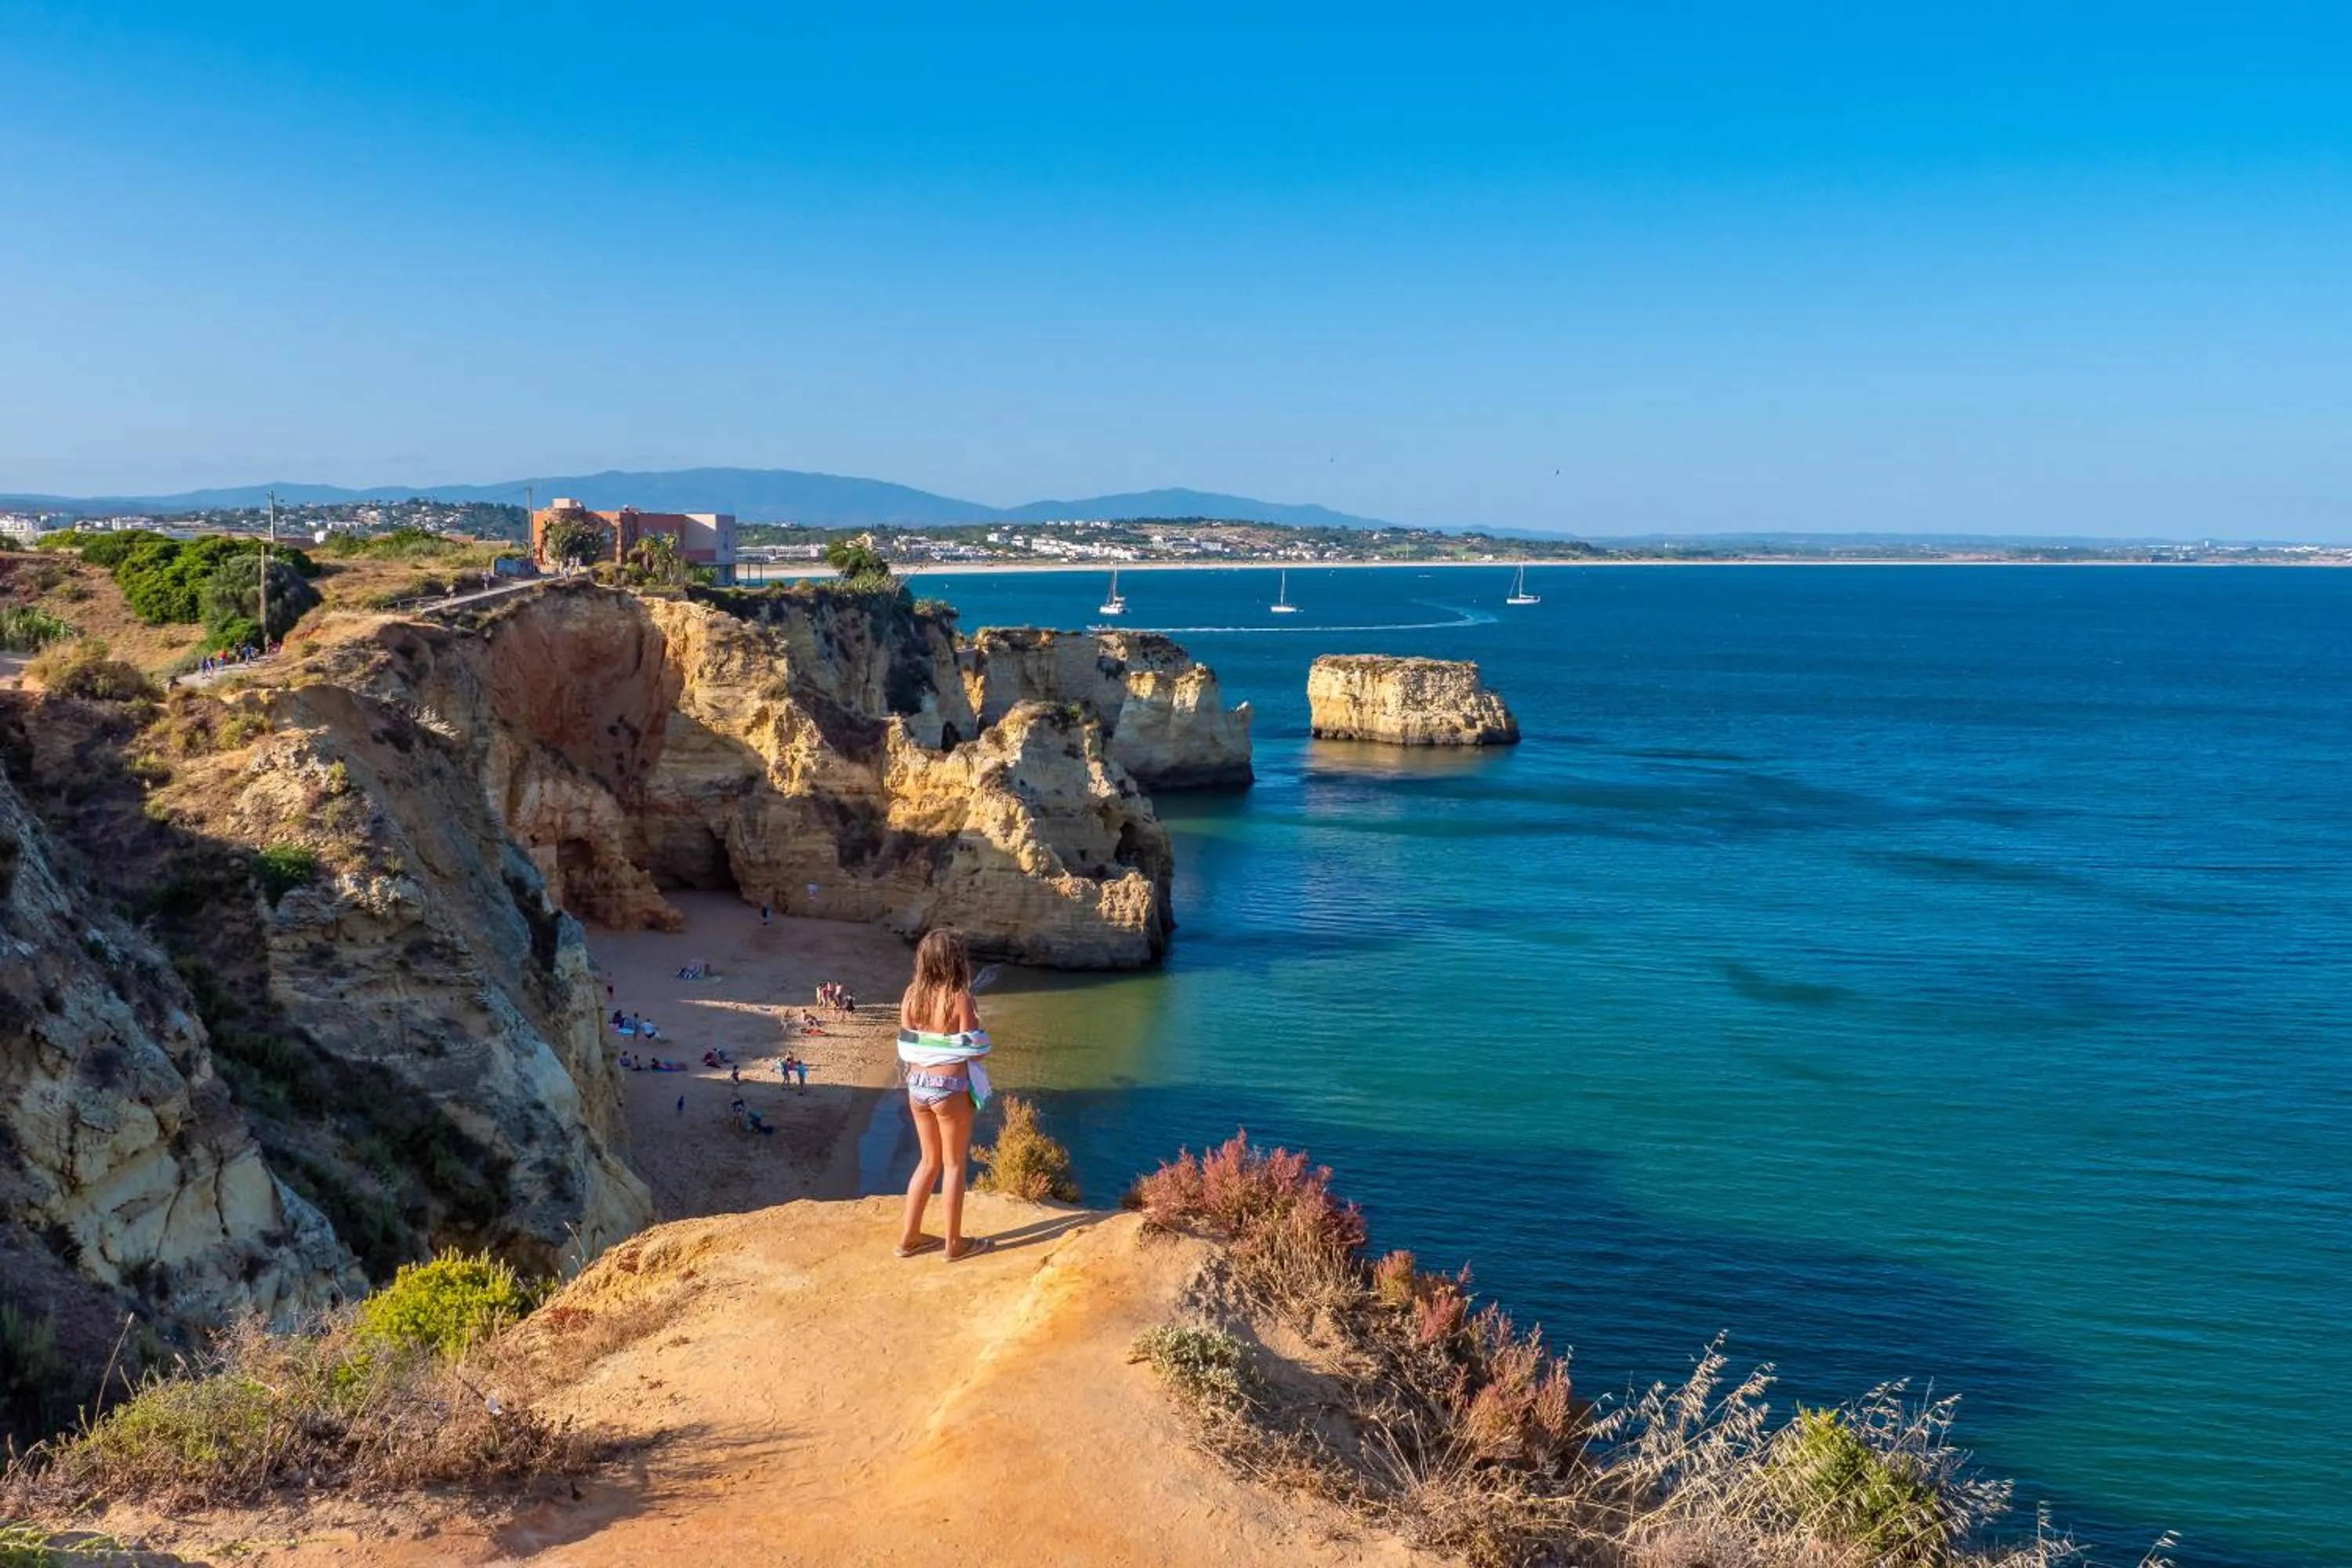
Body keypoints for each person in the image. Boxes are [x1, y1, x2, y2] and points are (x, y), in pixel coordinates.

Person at [894, 929, 994, 1261]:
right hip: (949, 1090)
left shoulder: (911, 996)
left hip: (917, 1086)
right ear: (955, 961)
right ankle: (954, 1245)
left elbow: (910, 1043)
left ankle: (909, 1239)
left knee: (927, 1161)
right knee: (953, 1165)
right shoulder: (959, 998)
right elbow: (976, 1050)